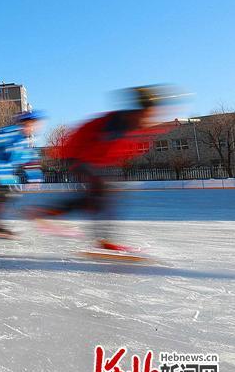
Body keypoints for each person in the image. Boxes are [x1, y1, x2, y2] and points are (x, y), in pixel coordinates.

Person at [28, 86, 172, 250]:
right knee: (100, 191)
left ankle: (45, 212)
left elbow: (123, 144)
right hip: (76, 155)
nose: (150, 118)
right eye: (148, 113)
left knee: (98, 197)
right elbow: (106, 142)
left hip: (89, 159)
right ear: (139, 110)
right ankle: (100, 238)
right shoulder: (118, 122)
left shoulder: (129, 121)